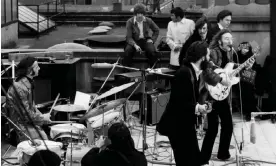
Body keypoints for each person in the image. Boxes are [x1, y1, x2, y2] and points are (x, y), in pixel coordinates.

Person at [157, 41, 221, 166]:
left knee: (193, 160)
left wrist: (203, 104)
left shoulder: (193, 71)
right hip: (177, 125)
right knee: (187, 161)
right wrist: (198, 107)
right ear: (201, 57)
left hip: (184, 124)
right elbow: (179, 102)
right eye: (208, 56)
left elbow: (191, 97)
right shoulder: (184, 73)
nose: (209, 59)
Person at [200, 29, 255, 166]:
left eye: (231, 38)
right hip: (211, 93)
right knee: (212, 128)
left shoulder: (231, 52)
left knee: (228, 125)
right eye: (226, 38)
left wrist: (244, 66)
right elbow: (208, 70)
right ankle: (203, 158)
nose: (230, 41)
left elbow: (230, 67)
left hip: (223, 94)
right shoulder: (212, 52)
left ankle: (223, 154)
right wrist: (220, 79)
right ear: (220, 41)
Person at [6, 57, 51, 142]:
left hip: (27, 123)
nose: (39, 68)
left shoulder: (27, 84)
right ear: (30, 70)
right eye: (37, 66)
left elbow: (32, 107)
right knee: (43, 140)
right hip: (20, 126)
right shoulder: (19, 88)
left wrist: (43, 116)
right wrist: (42, 118)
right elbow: (25, 115)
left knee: (45, 136)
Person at [81, 122, 147, 166]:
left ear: (111, 140)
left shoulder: (104, 158)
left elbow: (85, 162)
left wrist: (97, 147)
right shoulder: (141, 158)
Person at [123, 3, 160, 68]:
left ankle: (153, 70)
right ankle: (126, 71)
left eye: (142, 13)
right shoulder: (130, 22)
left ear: (144, 13)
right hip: (133, 40)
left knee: (152, 52)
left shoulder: (148, 20)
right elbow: (129, 37)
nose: (140, 15)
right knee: (127, 51)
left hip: (145, 40)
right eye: (138, 13)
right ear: (135, 13)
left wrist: (152, 40)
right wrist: (135, 45)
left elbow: (156, 30)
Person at [235, 42, 258, 121]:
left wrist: (250, 67)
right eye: (243, 48)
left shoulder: (252, 56)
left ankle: (249, 112)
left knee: (248, 92)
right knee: (243, 91)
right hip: (239, 80)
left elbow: (254, 68)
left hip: (248, 80)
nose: (245, 50)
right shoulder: (237, 56)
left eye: (246, 48)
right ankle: (244, 110)